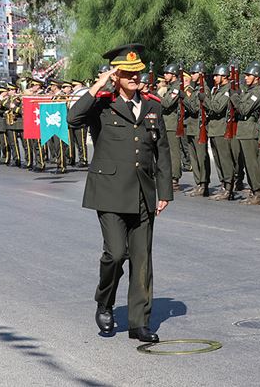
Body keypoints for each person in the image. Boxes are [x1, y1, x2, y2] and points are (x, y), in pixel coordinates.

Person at [67, 43, 173, 343]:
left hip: (142, 192)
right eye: (127, 74)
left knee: (141, 259)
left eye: (136, 73)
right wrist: (97, 86)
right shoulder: (102, 103)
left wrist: (164, 190)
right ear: (116, 76)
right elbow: (73, 119)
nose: (134, 78)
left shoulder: (152, 104)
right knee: (115, 254)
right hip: (110, 192)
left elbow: (161, 151)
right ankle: (105, 301)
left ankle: (140, 322)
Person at [233, 64, 260, 205]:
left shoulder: (257, 92)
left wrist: (234, 97)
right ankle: (254, 191)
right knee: (248, 163)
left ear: (257, 78)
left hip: (250, 129)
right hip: (244, 129)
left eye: (249, 75)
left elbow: (244, 109)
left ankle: (258, 192)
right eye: (245, 75)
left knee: (253, 163)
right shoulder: (249, 91)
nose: (246, 78)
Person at [205, 64, 237, 200]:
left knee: (225, 160)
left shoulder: (227, 90)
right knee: (218, 160)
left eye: (217, 75)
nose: (215, 77)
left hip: (221, 129)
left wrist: (204, 100)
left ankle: (229, 187)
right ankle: (223, 184)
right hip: (213, 129)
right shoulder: (217, 90)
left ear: (224, 76)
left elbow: (217, 108)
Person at [183, 62, 211, 197]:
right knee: (194, 157)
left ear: (201, 74)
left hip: (199, 127)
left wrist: (184, 99)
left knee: (201, 157)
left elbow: (195, 108)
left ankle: (204, 184)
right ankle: (198, 183)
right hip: (191, 127)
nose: (191, 75)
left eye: (193, 73)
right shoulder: (195, 89)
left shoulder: (203, 90)